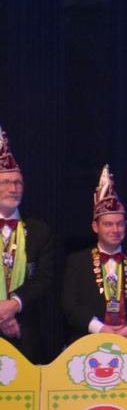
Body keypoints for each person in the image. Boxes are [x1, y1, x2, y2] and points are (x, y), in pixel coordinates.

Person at [62, 166, 127, 343]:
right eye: (108, 224)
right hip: (87, 342)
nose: (115, 229)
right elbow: (70, 305)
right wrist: (100, 329)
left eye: (119, 224)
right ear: (95, 227)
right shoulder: (77, 262)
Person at [0, 127, 54, 362]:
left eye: (18, 183)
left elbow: (43, 279)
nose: (13, 189)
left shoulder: (40, 231)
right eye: (6, 182)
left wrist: (13, 305)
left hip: (26, 332)